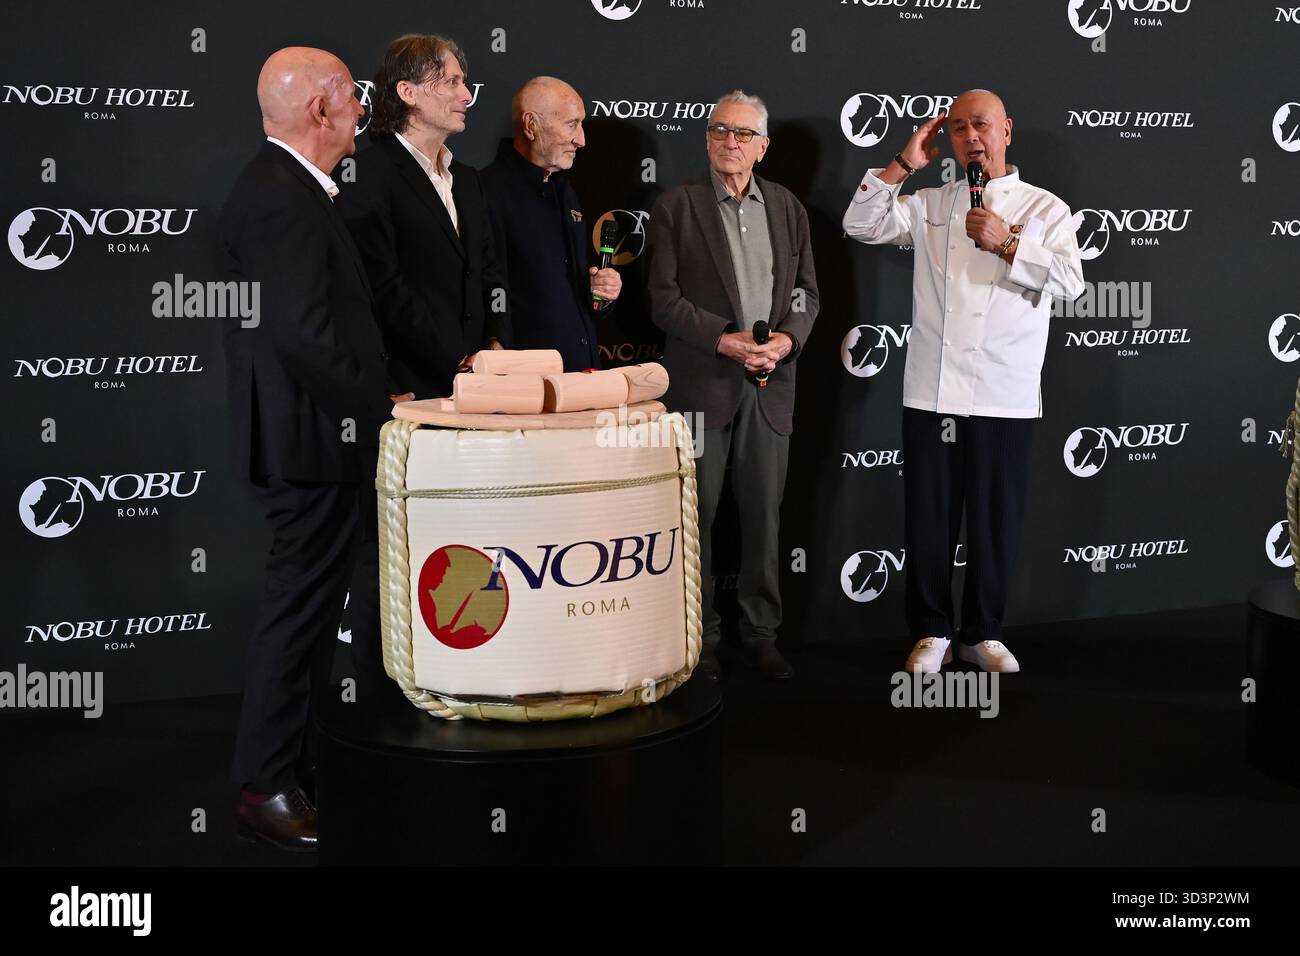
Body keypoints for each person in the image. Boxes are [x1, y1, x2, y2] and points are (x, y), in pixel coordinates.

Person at [843, 89, 1084, 675]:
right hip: (933, 388)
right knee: (928, 514)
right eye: (957, 128)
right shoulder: (931, 204)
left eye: (981, 125)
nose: (971, 137)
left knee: (995, 518)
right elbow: (860, 222)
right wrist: (902, 164)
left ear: (1007, 129)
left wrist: (1006, 242)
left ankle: (983, 633)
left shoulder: (1046, 208)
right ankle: (931, 629)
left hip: (1004, 389)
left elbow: (1072, 282)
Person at [218, 47, 390, 850]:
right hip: (312, 444)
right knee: (296, 619)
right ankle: (264, 784)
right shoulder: (279, 196)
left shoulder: (290, 190)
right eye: (353, 96)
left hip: (321, 441)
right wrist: (376, 406)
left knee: (313, 617)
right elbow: (304, 337)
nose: (363, 108)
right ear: (321, 109)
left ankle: (288, 766)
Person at [645, 91, 819, 681]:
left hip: (771, 388)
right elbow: (663, 301)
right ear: (707, 138)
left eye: (744, 134)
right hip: (701, 388)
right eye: (721, 130)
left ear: (762, 146)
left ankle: (761, 633)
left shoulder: (789, 209)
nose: (731, 142)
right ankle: (700, 639)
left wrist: (786, 341)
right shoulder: (677, 206)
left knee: (764, 520)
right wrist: (725, 339)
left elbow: (806, 295)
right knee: (696, 518)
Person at [340, 34, 510, 399]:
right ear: (408, 92)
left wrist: (496, 343)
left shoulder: (466, 180)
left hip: (482, 386)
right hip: (410, 387)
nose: (466, 95)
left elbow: (489, 272)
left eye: (464, 82)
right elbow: (384, 287)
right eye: (452, 82)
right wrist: (455, 359)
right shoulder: (367, 174)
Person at [480, 76, 621, 372]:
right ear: (531, 125)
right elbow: (487, 295)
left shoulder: (566, 192)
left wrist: (599, 292)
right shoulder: (485, 192)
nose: (581, 140)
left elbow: (564, 295)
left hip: (583, 377)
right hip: (525, 388)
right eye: (571, 125)